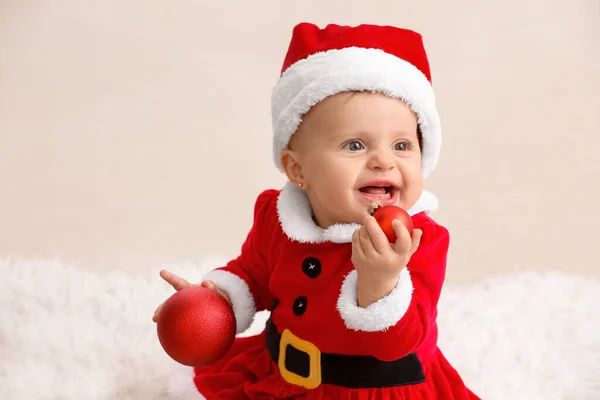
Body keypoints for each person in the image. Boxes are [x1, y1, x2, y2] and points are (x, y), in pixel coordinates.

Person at [153, 22, 480, 399]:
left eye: (402, 145)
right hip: (282, 376)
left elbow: (401, 343)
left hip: (374, 389)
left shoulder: (417, 240)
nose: (383, 161)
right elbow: (254, 273)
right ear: (298, 170)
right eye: (355, 145)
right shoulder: (279, 217)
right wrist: (216, 301)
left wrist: (381, 280)